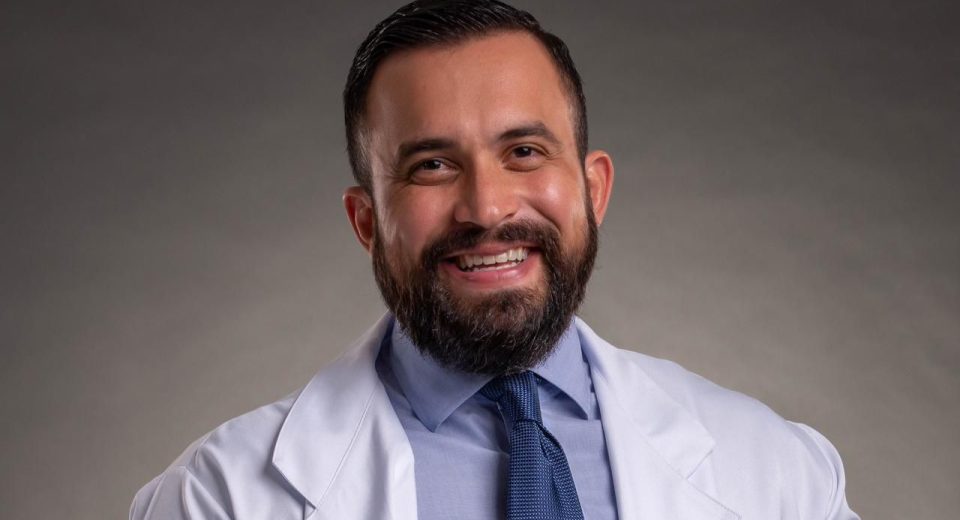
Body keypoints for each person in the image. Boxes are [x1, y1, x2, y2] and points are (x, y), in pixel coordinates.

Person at [130, 1, 859, 519]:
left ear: (593, 190)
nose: (486, 207)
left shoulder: (779, 474)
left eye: (525, 152)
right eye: (432, 165)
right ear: (367, 222)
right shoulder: (218, 499)